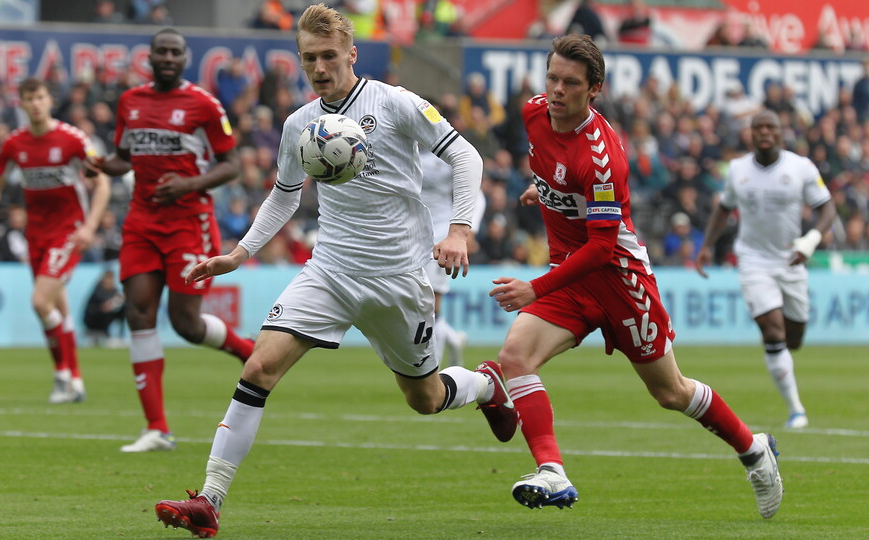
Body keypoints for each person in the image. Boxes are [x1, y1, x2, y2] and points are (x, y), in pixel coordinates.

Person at [152, 5, 512, 537]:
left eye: (328, 56)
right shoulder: (301, 124)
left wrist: (458, 229)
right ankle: (210, 500)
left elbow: (468, 158)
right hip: (330, 272)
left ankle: (485, 387)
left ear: (351, 53)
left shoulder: (395, 103)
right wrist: (240, 253)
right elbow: (283, 196)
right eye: (309, 58)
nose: (319, 67)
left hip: (397, 279)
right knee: (257, 369)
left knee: (425, 398)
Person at [485, 34, 783, 519]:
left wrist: (533, 288)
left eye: (571, 84)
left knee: (671, 392)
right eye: (553, 78)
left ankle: (753, 450)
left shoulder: (602, 157)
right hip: (571, 277)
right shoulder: (534, 112)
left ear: (594, 90)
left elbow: (603, 246)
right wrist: (545, 192)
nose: (557, 90)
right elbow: (552, 169)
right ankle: (552, 472)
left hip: (619, 281)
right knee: (515, 357)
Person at [89, 28, 254, 453]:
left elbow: (231, 165)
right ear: (149, 57)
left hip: (188, 221)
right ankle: (157, 428)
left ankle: (245, 349)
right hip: (141, 222)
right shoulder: (131, 102)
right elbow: (122, 159)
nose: (166, 57)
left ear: (184, 59)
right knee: (139, 313)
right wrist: (96, 165)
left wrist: (189, 184)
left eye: (174, 52)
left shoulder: (203, 104)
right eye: (160, 51)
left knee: (186, 324)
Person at [696, 109, 835, 429]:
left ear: (781, 131)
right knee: (772, 331)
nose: (764, 132)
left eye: (770, 126)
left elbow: (826, 207)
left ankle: (791, 385)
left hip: (791, 261)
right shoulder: (738, 169)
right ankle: (796, 410)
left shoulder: (800, 167)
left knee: (794, 338)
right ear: (750, 133)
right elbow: (724, 209)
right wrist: (706, 246)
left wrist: (810, 240)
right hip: (754, 261)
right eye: (757, 127)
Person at [0, 77, 111, 404]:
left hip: (68, 231)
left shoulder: (72, 140)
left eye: (40, 97)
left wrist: (90, 226)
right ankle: (74, 382)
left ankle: (62, 373)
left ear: (49, 100)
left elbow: (102, 183)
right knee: (55, 307)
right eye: (29, 99)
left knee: (40, 301)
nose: (35, 104)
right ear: (21, 104)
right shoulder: (14, 144)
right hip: (35, 233)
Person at [419, 144, 486, 367]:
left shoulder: (445, 152)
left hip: (441, 234)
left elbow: (475, 192)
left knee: (430, 302)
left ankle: (432, 370)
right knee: (415, 301)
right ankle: (452, 338)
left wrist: (467, 231)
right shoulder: (398, 147)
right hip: (409, 233)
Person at [84, 268, 127, 346]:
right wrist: (115, 301)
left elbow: (120, 300)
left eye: (111, 278)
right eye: (107, 278)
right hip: (93, 319)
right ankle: (96, 334)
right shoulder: (98, 289)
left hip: (107, 318)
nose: (109, 280)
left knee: (124, 309)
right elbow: (104, 304)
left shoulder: (114, 290)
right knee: (106, 309)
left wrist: (120, 300)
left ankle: (120, 336)